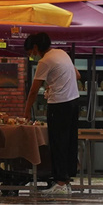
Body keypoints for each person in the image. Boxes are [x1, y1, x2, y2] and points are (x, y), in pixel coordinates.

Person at [24, 32, 80, 196]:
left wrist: (26, 111)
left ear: (35, 47)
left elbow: (34, 90)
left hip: (59, 104)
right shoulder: (62, 53)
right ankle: (66, 180)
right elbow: (77, 75)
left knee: (58, 143)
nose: (31, 56)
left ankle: (60, 182)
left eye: (30, 52)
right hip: (74, 102)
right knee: (69, 141)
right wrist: (55, 84)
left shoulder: (45, 60)